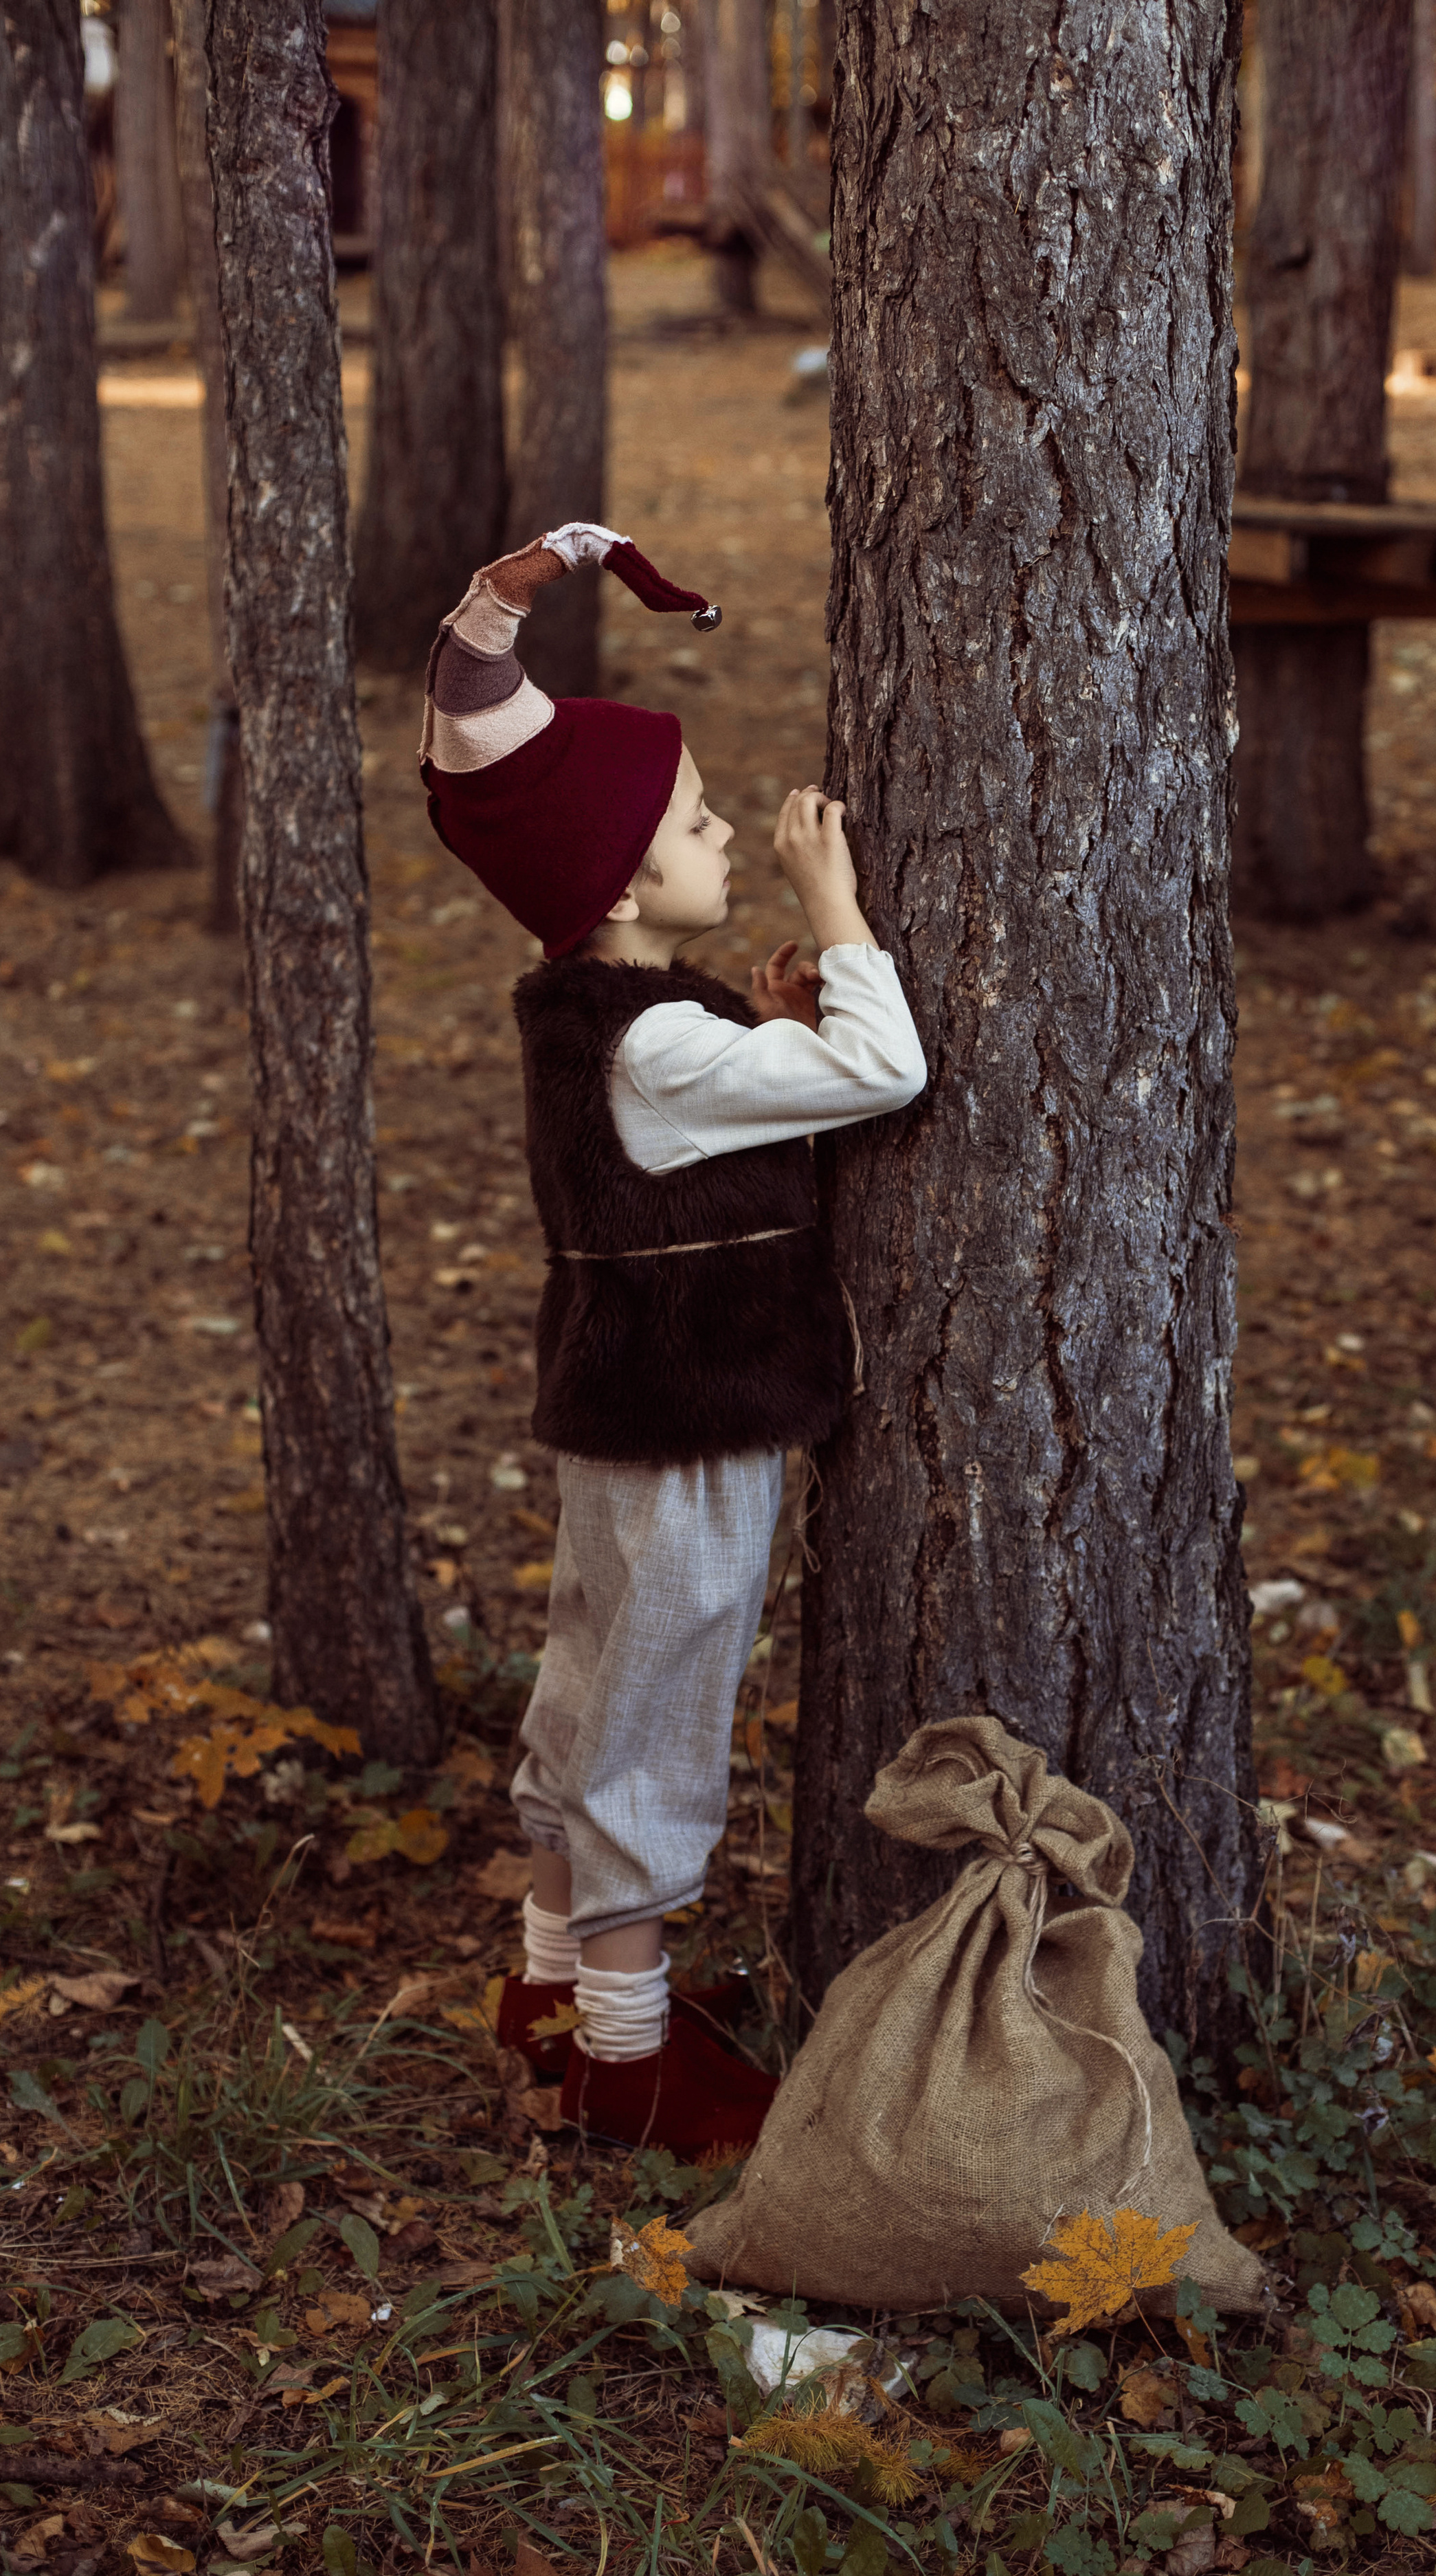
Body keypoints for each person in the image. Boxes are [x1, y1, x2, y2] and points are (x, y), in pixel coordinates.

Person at [419, 522, 927, 2157]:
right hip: (692, 1425)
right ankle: (630, 2063)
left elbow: (720, 1104)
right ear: (628, 886)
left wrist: (764, 1020)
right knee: (655, 1708)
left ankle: (552, 1987)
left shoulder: (623, 1023)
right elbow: (887, 1073)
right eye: (699, 827)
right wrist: (839, 917)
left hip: (621, 1415)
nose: (723, 841)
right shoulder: (657, 1053)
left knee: (589, 1686)